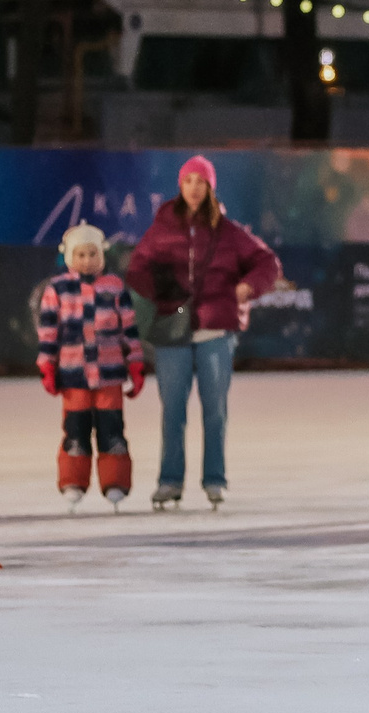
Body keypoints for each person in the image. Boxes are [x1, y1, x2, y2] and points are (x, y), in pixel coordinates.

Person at [122, 155, 278, 511]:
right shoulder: (163, 228)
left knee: (215, 411)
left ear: (210, 187)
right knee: (172, 412)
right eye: (189, 180)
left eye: (201, 181)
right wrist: (160, 292)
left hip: (215, 331)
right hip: (172, 332)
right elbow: (137, 269)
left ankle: (214, 480)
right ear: (180, 185)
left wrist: (246, 287)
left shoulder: (227, 231)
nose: (194, 187)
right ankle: (169, 481)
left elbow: (267, 263)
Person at [37, 223, 146, 512]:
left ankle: (116, 482)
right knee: (75, 430)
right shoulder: (57, 289)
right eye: (81, 254)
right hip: (74, 375)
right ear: (70, 257)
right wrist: (47, 366)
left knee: (112, 430)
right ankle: (73, 480)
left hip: (109, 374)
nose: (87, 260)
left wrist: (135, 363)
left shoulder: (114, 287)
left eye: (92, 254)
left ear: (102, 255)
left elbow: (129, 329)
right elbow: (48, 331)